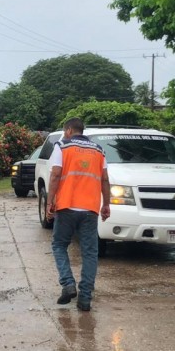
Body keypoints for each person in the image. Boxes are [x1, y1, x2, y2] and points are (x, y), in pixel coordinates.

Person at [46, 117, 111, 311]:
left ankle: (67, 284)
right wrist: (106, 204)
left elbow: (56, 174)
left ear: (68, 130)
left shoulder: (62, 146)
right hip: (90, 209)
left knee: (59, 245)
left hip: (66, 206)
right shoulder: (98, 150)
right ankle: (85, 297)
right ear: (82, 131)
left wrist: (50, 201)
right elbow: (105, 180)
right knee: (90, 253)